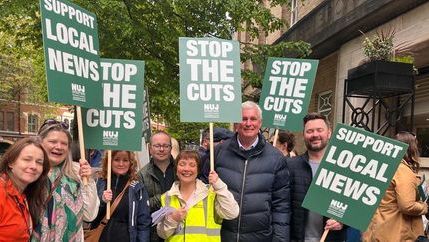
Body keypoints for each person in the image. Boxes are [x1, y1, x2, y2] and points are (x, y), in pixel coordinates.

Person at [214, 101, 290, 241]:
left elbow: (281, 205)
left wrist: (280, 239)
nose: (248, 123)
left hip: (260, 237)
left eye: (253, 119)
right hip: (223, 235)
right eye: (243, 119)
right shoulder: (218, 152)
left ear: (260, 123)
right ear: (236, 124)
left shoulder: (276, 158)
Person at [32, 119, 99, 241]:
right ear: (40, 142)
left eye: (64, 143)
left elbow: (90, 215)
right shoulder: (29, 171)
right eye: (53, 141)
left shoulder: (77, 172)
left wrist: (88, 182)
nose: (59, 147)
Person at [287, 113, 346, 242]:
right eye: (310, 131)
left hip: (332, 238)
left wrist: (344, 221)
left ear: (329, 133)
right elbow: (282, 206)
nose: (315, 135)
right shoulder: (291, 165)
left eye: (320, 130)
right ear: (304, 135)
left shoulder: (343, 168)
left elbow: (356, 207)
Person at [156, 150, 239, 241]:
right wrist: (173, 219)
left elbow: (232, 213)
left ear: (198, 170)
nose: (187, 169)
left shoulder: (211, 194)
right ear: (176, 170)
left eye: (192, 165)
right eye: (182, 164)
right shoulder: (167, 197)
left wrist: (219, 185)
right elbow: (162, 234)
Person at [362, 131, 428, 241]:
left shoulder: (382, 166)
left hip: (378, 229)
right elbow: (407, 206)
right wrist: (425, 207)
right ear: (411, 148)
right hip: (396, 233)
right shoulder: (403, 171)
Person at [91, 150, 151, 241]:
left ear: (131, 163)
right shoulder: (99, 182)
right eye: (117, 160)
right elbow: (89, 215)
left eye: (125, 160)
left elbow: (143, 222)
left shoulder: (137, 188)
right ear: (109, 161)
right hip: (100, 237)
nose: (121, 164)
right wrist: (102, 201)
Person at [0, 137, 50, 241]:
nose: (34, 166)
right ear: (11, 163)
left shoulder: (24, 194)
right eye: (27, 159)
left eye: (39, 162)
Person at [138, 131, 176, 242]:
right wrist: (163, 198)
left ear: (171, 148)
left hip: (179, 231)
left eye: (165, 146)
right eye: (157, 146)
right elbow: (141, 207)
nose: (161, 149)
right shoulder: (141, 175)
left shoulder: (181, 171)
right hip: (153, 234)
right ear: (150, 148)